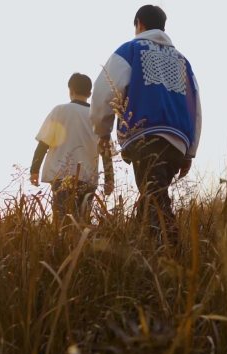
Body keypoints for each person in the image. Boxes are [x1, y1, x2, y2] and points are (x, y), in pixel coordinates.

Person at [90, 5, 202, 240]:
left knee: (154, 199)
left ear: (139, 24)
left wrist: (102, 130)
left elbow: (103, 91)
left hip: (145, 134)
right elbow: (195, 107)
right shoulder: (183, 61)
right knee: (153, 193)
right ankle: (141, 248)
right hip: (178, 140)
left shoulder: (130, 50)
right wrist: (190, 151)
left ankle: (172, 253)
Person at [30, 73, 113, 221]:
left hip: (61, 176)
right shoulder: (97, 116)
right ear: (89, 93)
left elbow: (43, 143)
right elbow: (105, 151)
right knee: (82, 221)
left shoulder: (59, 111)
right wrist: (109, 179)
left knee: (62, 222)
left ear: (71, 90)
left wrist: (34, 170)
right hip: (88, 178)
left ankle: (63, 245)